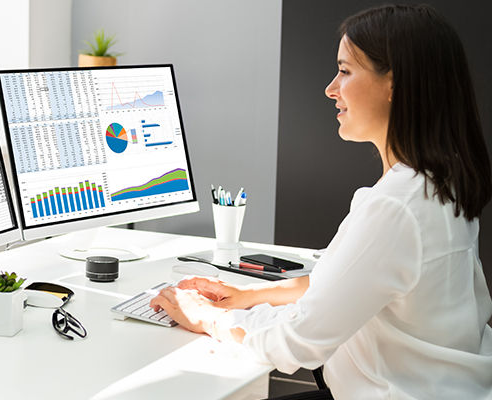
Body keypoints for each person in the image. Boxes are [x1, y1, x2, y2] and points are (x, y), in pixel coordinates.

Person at [149, 4, 492, 399]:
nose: (331, 89)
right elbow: (347, 279)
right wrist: (249, 296)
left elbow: (296, 342)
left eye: (345, 71)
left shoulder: (396, 207)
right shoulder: (438, 181)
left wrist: (206, 317)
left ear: (394, 84)